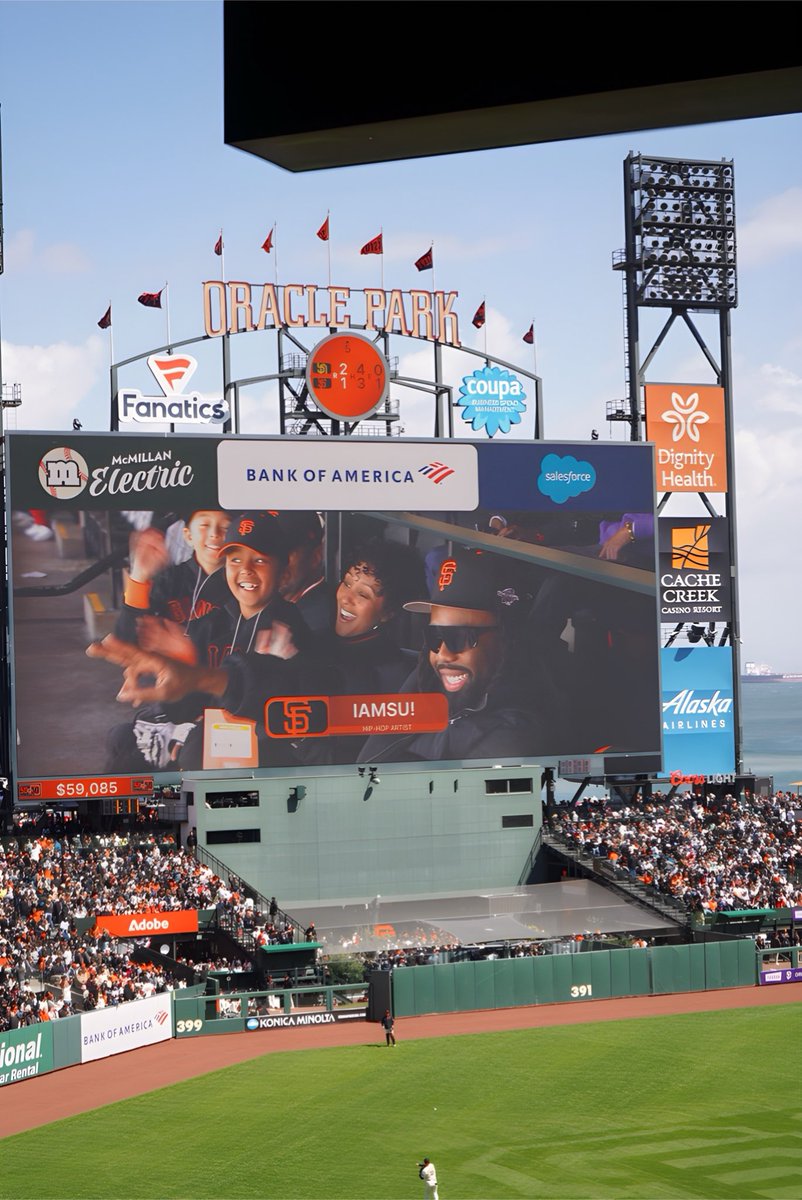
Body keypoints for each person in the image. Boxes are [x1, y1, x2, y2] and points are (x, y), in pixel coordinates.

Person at [358, 549, 541, 764]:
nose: (442, 653)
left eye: (459, 636)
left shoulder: (512, 739)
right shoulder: (429, 682)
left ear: (504, 639)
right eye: (434, 636)